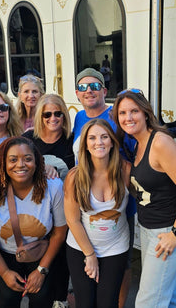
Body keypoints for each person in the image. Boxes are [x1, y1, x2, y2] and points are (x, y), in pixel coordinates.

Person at [113, 89, 176, 307]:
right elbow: (145, 190)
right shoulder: (137, 143)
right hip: (148, 229)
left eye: (134, 111)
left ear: (145, 113)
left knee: (147, 302)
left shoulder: (160, 142)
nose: (128, 117)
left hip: (168, 230)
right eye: (123, 113)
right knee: (167, 297)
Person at [0, 137, 67, 307]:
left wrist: (42, 270)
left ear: (37, 162)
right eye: (13, 159)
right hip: (5, 253)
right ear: (3, 162)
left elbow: (60, 232)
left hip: (41, 252)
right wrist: (4, 273)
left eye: (28, 159)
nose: (21, 164)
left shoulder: (53, 186)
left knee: (42, 297)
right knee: (7, 297)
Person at [72, 68, 136, 307]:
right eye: (84, 87)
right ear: (77, 94)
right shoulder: (78, 118)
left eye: (95, 86)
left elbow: (134, 153)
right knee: (89, 259)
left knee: (122, 263)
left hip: (118, 206)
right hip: (86, 203)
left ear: (104, 91)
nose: (90, 91)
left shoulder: (117, 117)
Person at [64, 119, 130, 308]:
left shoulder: (125, 170)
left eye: (104, 137)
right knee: (85, 303)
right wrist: (90, 255)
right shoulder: (75, 177)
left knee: (107, 303)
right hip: (80, 248)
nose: (98, 142)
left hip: (115, 247)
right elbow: (73, 220)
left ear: (112, 142)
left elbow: (147, 196)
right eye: (92, 138)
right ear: (85, 144)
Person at [22, 94, 73, 308]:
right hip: (36, 208)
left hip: (67, 207)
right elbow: (16, 167)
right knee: (39, 252)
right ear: (40, 116)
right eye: (47, 114)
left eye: (58, 113)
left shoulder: (72, 141)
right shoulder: (28, 139)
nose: (53, 118)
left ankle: (60, 299)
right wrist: (40, 166)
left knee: (62, 253)